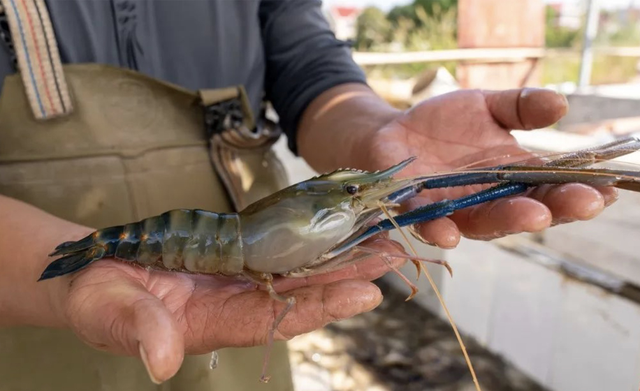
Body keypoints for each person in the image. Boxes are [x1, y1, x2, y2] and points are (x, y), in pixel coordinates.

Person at [0, 1, 615, 390]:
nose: (363, 199)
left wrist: (377, 131)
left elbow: (308, 65)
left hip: (216, 298)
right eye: (354, 195)